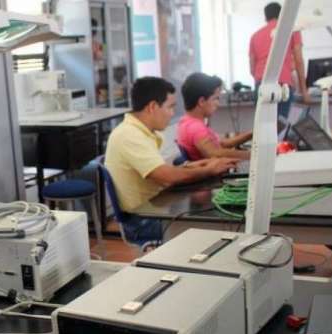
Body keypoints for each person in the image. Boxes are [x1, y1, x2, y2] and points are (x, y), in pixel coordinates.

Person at [105, 77, 238, 246]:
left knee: (217, 213)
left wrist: (196, 165)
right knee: (221, 223)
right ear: (153, 107)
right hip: (143, 222)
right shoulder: (129, 136)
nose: (173, 113)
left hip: (156, 209)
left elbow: (161, 169)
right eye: (170, 107)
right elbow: (167, 176)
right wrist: (208, 170)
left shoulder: (143, 132)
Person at [249, 2, 309, 119]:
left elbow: (252, 68)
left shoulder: (255, 36)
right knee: (280, 127)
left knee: (262, 127)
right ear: (282, 15)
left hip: (262, 84)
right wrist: (304, 90)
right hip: (283, 84)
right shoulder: (292, 29)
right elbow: (298, 60)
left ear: (265, 17)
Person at [178, 72, 252, 161]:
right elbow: (214, 153)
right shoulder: (195, 127)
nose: (218, 103)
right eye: (215, 98)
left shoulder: (187, 121)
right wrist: (252, 156)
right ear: (201, 101)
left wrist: (251, 134)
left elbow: (223, 143)